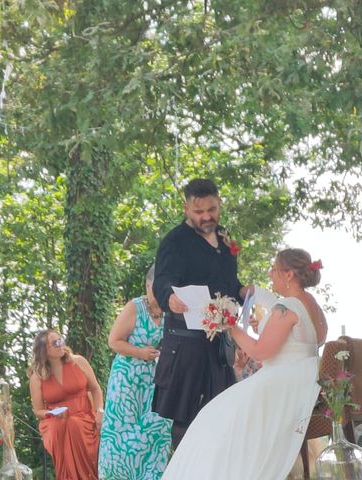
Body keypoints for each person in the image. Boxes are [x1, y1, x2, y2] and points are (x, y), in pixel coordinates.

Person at [162, 248, 328, 479]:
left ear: (288, 274)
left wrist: (231, 327)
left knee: (214, 415)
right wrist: (265, 327)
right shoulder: (312, 305)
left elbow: (260, 352)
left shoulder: (287, 306)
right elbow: (305, 342)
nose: (271, 274)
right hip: (304, 378)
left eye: (274, 269)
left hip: (285, 382)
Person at [152, 178, 250, 448]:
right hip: (186, 344)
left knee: (222, 417)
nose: (207, 216)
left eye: (212, 209)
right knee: (188, 423)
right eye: (199, 211)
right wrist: (169, 298)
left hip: (220, 344)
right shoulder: (174, 241)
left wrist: (242, 292)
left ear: (219, 204)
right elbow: (161, 281)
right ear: (186, 208)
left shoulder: (226, 238)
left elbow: (229, 282)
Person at [99, 264, 172, 479]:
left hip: (156, 380)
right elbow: (113, 341)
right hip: (128, 379)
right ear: (148, 285)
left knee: (158, 427)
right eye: (155, 288)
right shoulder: (135, 307)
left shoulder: (171, 310)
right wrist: (140, 352)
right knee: (124, 432)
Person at [28, 329, 104, 480]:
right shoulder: (37, 377)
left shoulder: (79, 361)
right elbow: (38, 410)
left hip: (85, 414)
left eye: (61, 340)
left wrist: (100, 412)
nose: (61, 344)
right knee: (67, 424)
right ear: (44, 350)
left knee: (74, 424)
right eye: (55, 343)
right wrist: (51, 413)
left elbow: (96, 389)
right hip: (55, 420)